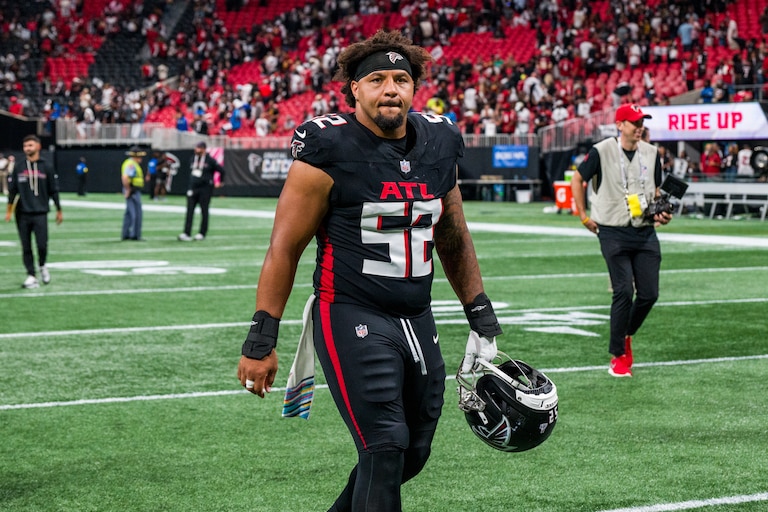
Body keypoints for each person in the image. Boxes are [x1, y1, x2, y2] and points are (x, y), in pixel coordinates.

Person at [236, 30, 503, 512]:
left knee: (412, 454)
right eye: (376, 78)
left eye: (401, 79)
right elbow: (285, 248)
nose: (390, 89)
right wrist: (261, 338)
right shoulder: (327, 147)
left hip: (416, 317)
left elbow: (454, 234)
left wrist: (479, 310)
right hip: (349, 311)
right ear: (354, 88)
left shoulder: (440, 142)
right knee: (384, 445)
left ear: (415, 88)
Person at [570, 103, 671, 378]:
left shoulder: (651, 153)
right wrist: (582, 215)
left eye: (642, 123)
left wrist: (661, 212)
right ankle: (618, 354)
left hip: (645, 229)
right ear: (620, 125)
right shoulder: (602, 150)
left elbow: (657, 189)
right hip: (612, 229)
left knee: (650, 293)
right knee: (623, 290)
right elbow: (577, 179)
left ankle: (626, 332)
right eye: (634, 122)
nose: (640, 128)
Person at [4, 135, 63, 288]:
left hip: (40, 212)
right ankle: (31, 275)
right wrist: (8, 210)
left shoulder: (47, 166)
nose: (27, 148)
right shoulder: (19, 166)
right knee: (26, 246)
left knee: (42, 245)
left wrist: (59, 209)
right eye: (25, 146)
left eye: (30, 145)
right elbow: (13, 190)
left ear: (38, 146)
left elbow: (54, 190)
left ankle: (42, 265)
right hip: (22, 213)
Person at [178, 142, 224, 241]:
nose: (196, 149)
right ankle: (187, 232)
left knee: (204, 211)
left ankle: (202, 232)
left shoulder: (210, 160)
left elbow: (221, 170)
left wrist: (220, 182)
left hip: (205, 189)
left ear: (203, 149)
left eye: (198, 148)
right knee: (189, 211)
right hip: (193, 188)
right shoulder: (192, 159)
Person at [121, 146, 146, 241]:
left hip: (132, 189)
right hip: (133, 190)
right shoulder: (131, 164)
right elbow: (125, 177)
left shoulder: (131, 163)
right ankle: (135, 235)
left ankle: (126, 233)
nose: (141, 159)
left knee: (129, 213)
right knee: (136, 213)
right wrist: (128, 190)